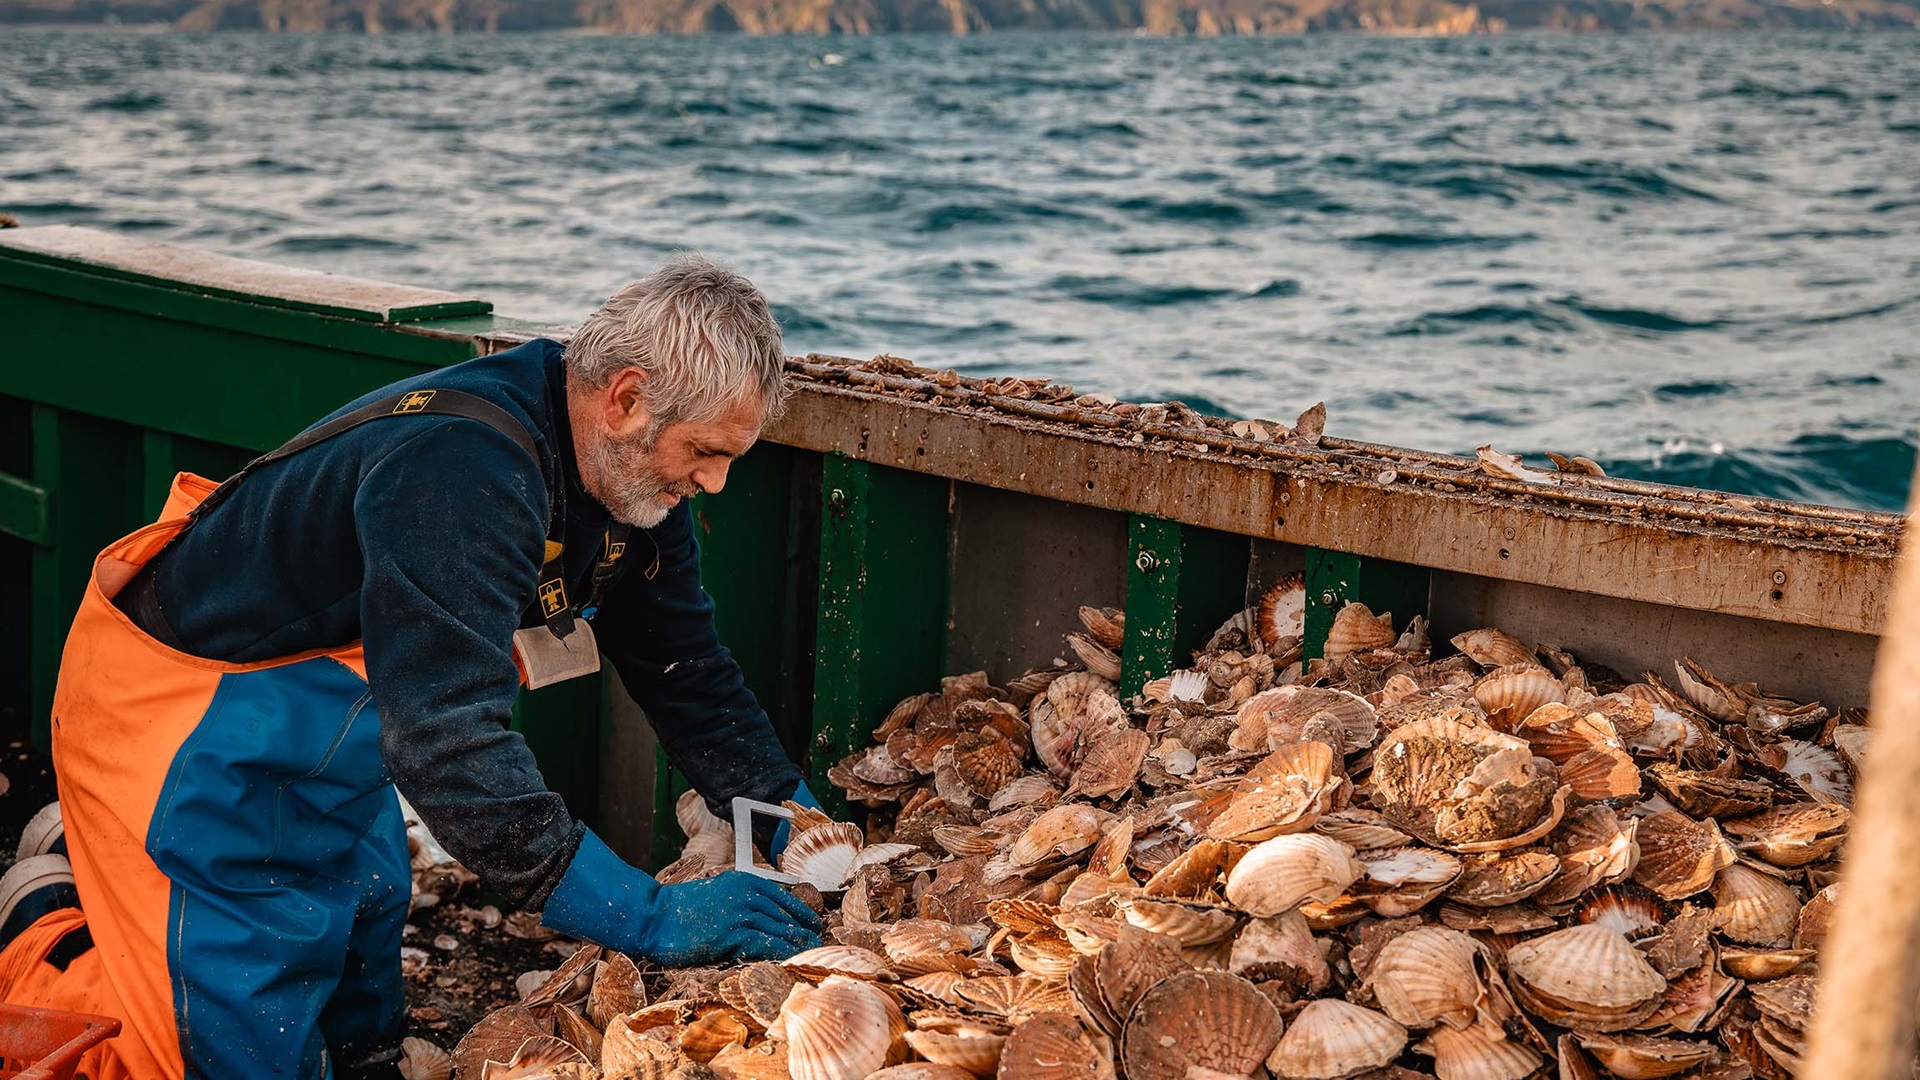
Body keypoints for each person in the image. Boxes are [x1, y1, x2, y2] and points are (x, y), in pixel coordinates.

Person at [0, 256, 825, 1079]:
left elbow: (685, 667)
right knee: (211, 1056)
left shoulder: (638, 483)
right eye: (707, 452)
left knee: (362, 998)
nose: (715, 482)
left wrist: (786, 811)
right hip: (180, 723)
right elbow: (447, 748)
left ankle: (120, 884)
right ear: (627, 399)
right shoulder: (462, 470)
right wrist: (650, 917)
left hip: (336, 721)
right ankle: (48, 913)